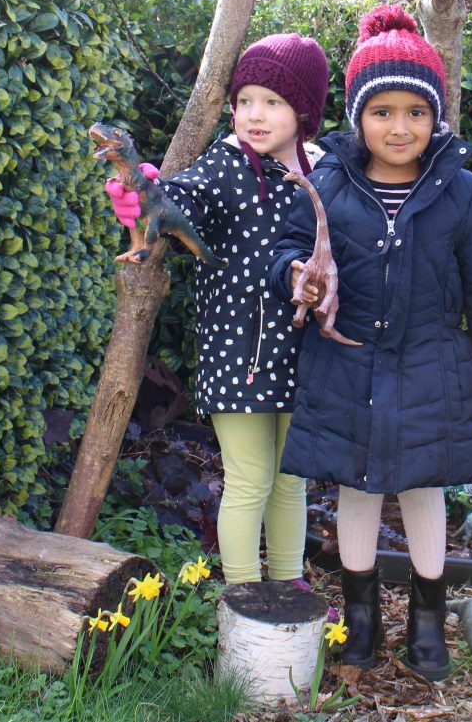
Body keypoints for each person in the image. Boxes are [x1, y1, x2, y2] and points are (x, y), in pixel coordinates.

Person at [271, 4, 472, 682]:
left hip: (431, 371)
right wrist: (294, 276)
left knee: (424, 493)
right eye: (382, 110)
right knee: (354, 492)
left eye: (415, 111)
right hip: (347, 367)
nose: (399, 126)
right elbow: (291, 250)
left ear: (436, 117)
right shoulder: (328, 182)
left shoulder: (463, 194)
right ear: (359, 116)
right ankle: (360, 625)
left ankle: (427, 624)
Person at [104, 32, 330, 587]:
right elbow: (188, 197)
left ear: (303, 111)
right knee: (250, 478)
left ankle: (285, 584)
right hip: (238, 354)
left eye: (272, 102)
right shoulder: (227, 164)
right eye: (244, 100)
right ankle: (243, 592)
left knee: (290, 479)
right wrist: (148, 197)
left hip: (306, 355)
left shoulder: (324, 172)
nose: (254, 115)